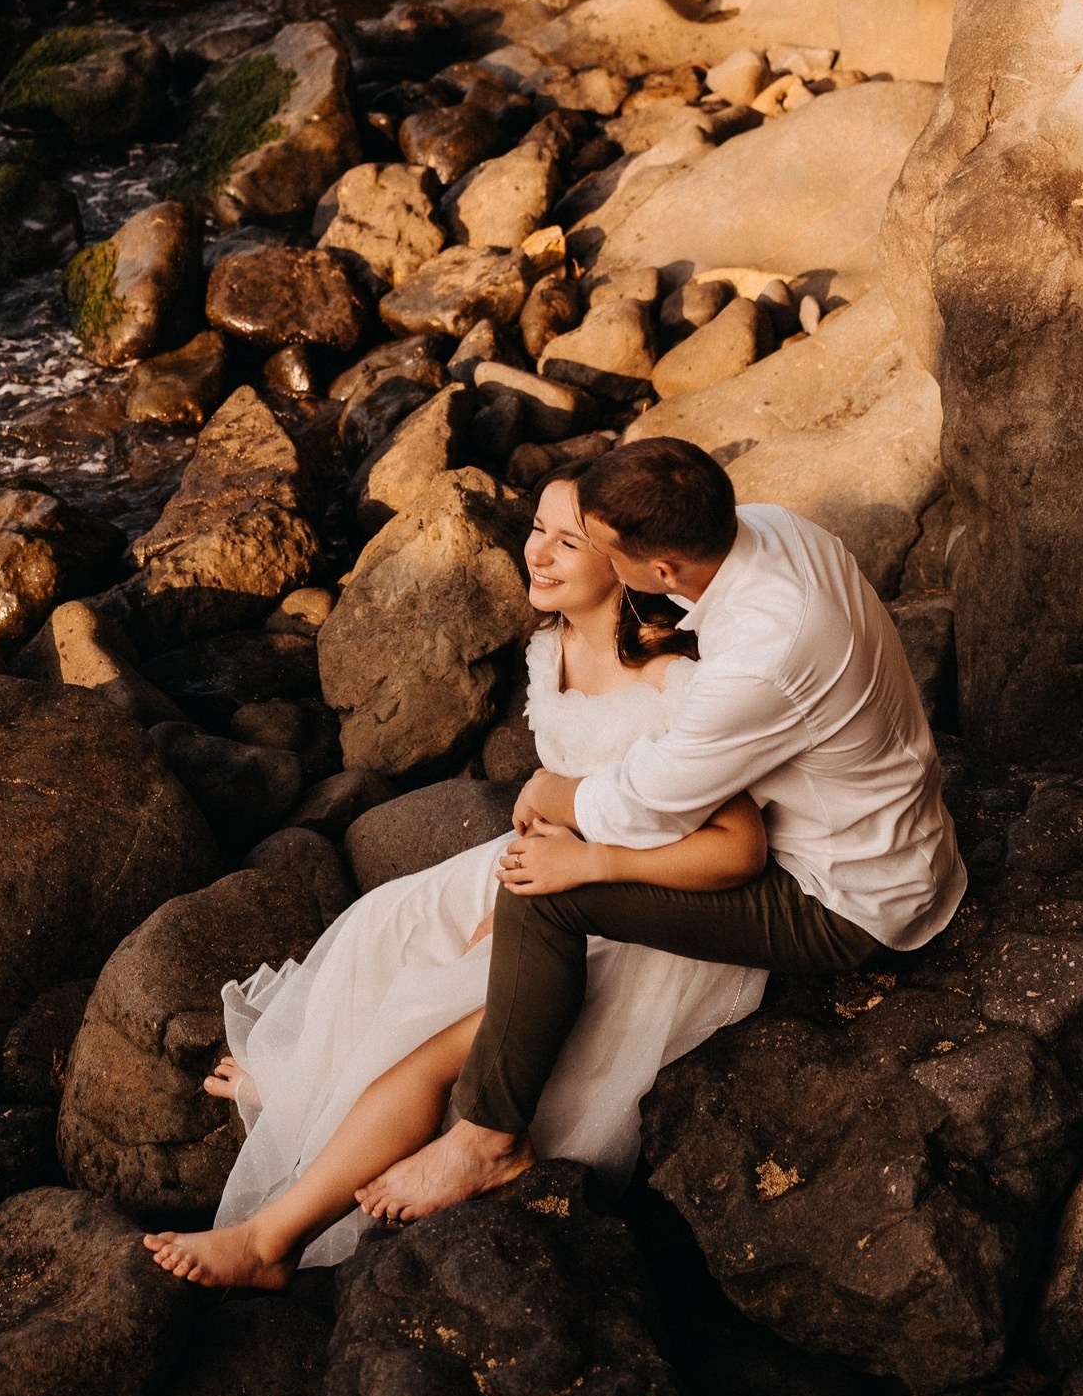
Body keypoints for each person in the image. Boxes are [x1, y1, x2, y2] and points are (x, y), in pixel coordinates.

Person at [144, 474, 770, 1289]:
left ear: (624, 563)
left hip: (654, 899)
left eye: (567, 542)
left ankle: (272, 1239)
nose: (537, 552)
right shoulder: (552, 647)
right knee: (387, 924)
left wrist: (571, 873)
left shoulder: (673, 680)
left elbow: (739, 846)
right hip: (563, 864)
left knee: (434, 1025)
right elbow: (571, 780)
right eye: (538, 529)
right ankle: (307, 1082)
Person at [359, 437, 966, 1223]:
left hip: (843, 899)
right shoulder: (776, 527)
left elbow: (643, 805)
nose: (605, 569)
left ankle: (487, 1140)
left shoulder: (762, 655)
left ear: (664, 573)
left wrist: (555, 792)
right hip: (899, 836)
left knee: (545, 891)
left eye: (609, 554)